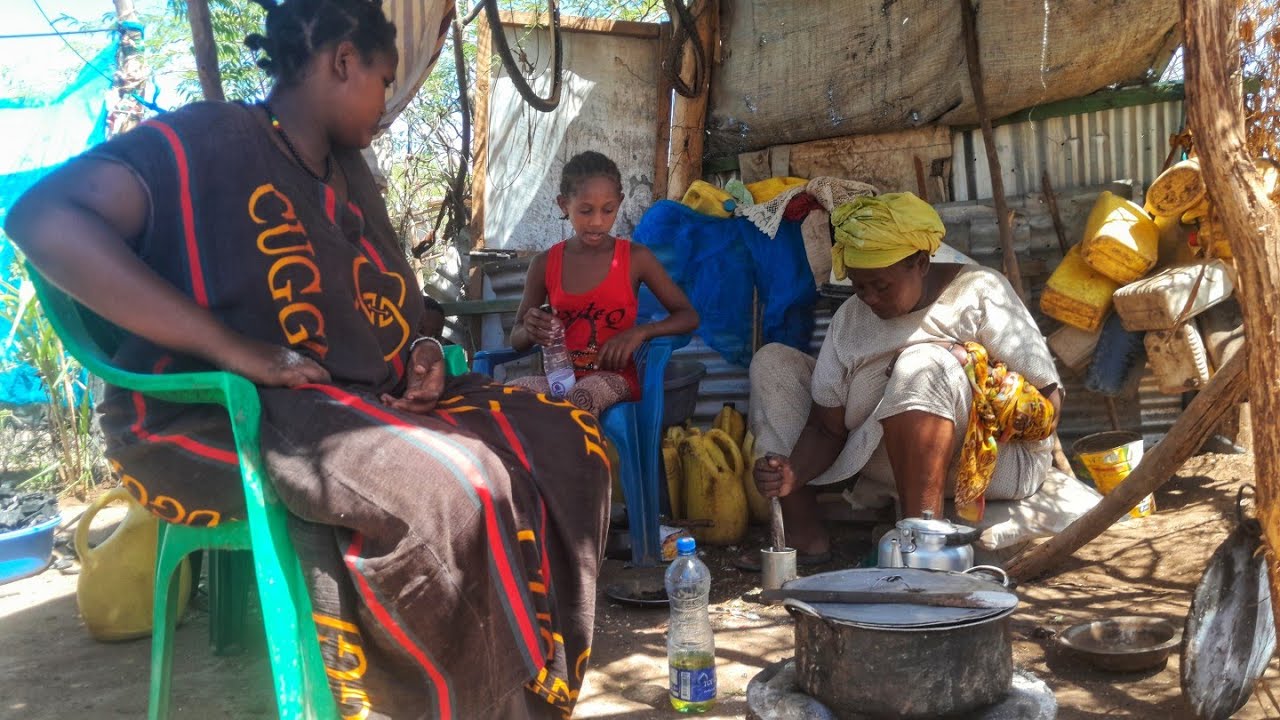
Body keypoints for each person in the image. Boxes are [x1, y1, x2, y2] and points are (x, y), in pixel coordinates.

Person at [6, 1, 609, 717]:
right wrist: (237, 351)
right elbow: (42, 219)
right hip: (218, 414)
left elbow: (406, 311)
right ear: (342, 60)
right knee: (456, 483)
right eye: (384, 81)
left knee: (566, 436)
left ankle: (533, 676)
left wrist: (421, 352)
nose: (386, 105)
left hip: (359, 400)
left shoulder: (351, 176)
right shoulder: (213, 139)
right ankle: (467, 702)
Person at [749, 192, 1097, 565]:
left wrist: (969, 365)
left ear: (920, 263)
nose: (869, 298)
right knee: (772, 362)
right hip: (879, 460)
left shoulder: (979, 292)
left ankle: (922, 548)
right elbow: (826, 427)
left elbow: (1048, 408)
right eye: (859, 286)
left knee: (922, 364)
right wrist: (792, 472)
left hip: (991, 465)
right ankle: (803, 537)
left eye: (880, 286)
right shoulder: (852, 319)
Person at [509, 151, 699, 415]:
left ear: (620, 203)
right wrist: (530, 329)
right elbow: (516, 340)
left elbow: (688, 316)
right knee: (505, 396)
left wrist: (639, 332)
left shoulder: (635, 258)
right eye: (586, 210)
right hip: (557, 380)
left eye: (608, 210)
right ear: (564, 204)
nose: (597, 221)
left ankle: (584, 458)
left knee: (581, 399)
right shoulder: (544, 264)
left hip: (614, 378)